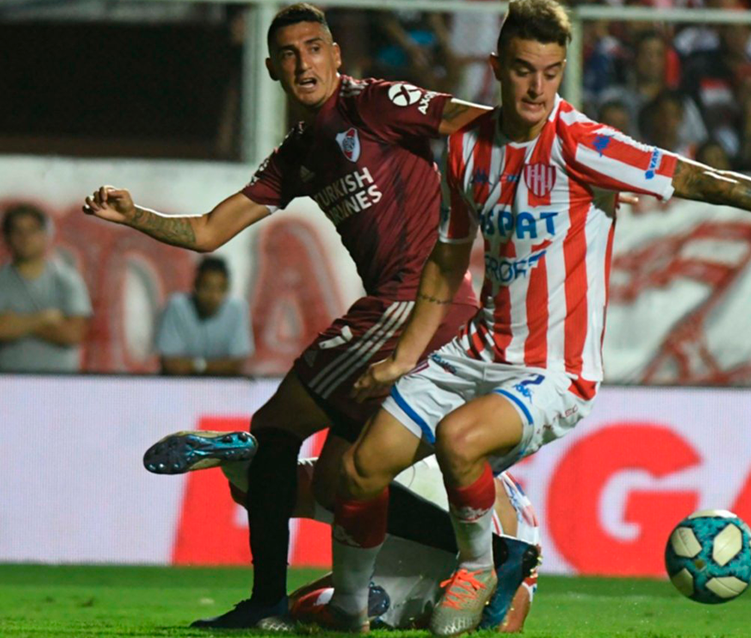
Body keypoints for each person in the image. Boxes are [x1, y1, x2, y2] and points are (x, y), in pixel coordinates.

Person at [326, 1, 751, 634]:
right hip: (477, 351)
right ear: (497, 67)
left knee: (461, 442)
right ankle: (348, 610)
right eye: (523, 70)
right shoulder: (465, 148)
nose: (537, 87)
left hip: (554, 369)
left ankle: (480, 567)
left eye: (551, 72)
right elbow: (446, 259)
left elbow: (699, 179)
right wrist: (404, 359)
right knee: (359, 468)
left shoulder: (583, 144)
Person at [82, 2, 492, 629]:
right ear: (273, 68)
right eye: (290, 54)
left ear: (336, 55)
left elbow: (476, 120)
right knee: (340, 480)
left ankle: (267, 598)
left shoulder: (375, 103)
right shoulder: (299, 153)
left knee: (274, 427)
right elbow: (208, 231)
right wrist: (135, 216)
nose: (304, 63)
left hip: (415, 300)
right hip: (412, 307)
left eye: (315, 48)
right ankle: (484, 558)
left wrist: (531, 171)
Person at [143, 430, 540, 632]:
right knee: (349, 606)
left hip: (427, 470)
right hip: (472, 542)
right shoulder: (525, 532)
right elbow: (510, 618)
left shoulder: (496, 479)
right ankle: (351, 602)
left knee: (294, 491)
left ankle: (244, 467)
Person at [0, 204, 91, 372]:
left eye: (32, 230)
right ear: (6, 237)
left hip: (59, 382)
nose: (25, 238)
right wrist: (43, 319)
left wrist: (15, 323)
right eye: (18, 231)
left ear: (45, 235)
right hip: (7, 381)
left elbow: (73, 334)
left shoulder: (67, 280)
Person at [155, 256, 253, 376]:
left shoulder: (238, 309)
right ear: (195, 286)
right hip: (179, 385)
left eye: (220, 288)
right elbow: (169, 364)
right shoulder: (176, 307)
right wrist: (219, 366)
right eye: (207, 287)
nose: (213, 296)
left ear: (227, 289)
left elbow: (238, 365)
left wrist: (195, 365)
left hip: (222, 386)